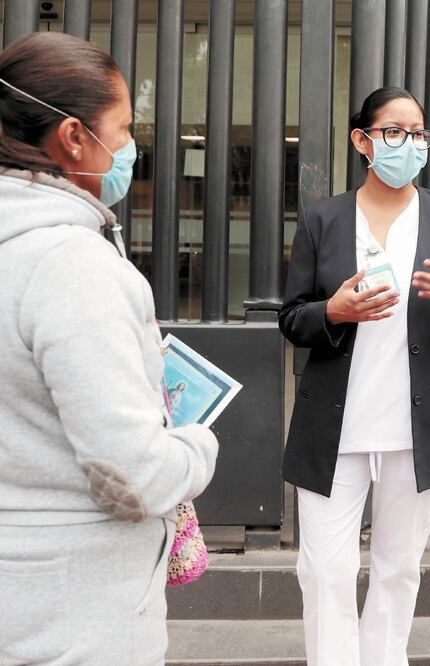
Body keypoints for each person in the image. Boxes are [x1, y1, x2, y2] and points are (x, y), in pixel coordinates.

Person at [0, 33, 218, 664]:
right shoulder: (72, 266)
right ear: (73, 137)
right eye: (122, 130)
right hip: (71, 617)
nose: (129, 149)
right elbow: (135, 478)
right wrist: (198, 444)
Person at [279, 86, 430, 666]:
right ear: (363, 140)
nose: (409, 143)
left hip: (419, 427)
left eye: (418, 133)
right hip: (337, 428)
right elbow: (292, 318)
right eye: (394, 131)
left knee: (399, 569)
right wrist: (332, 312)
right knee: (324, 571)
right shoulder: (324, 219)